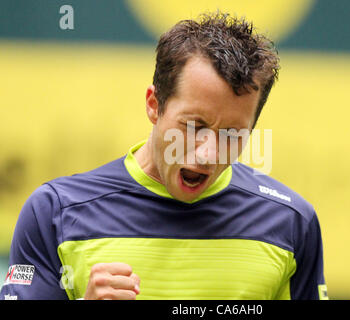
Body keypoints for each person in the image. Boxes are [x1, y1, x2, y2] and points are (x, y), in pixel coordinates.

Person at [1, 11, 327, 300]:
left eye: (233, 134)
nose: (209, 153)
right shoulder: (53, 212)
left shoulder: (293, 224)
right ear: (154, 105)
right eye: (194, 125)